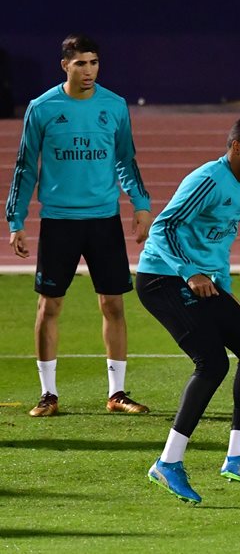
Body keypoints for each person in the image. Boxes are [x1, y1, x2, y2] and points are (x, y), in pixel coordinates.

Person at [5, 34, 152, 418]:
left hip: (104, 219)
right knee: (49, 305)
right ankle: (48, 394)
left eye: (94, 62)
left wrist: (141, 205)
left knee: (113, 304)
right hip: (59, 221)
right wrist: (16, 221)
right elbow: (25, 166)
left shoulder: (115, 105)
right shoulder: (42, 108)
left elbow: (126, 159)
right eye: (81, 63)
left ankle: (117, 392)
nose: (89, 71)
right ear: (65, 65)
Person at [141, 117, 240, 504]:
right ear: (235, 148)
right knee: (212, 363)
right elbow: (163, 229)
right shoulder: (208, 179)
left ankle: (239, 456)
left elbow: (220, 242)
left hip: (205, 279)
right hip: (162, 278)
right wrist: (190, 272)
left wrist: (225, 289)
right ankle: (167, 464)